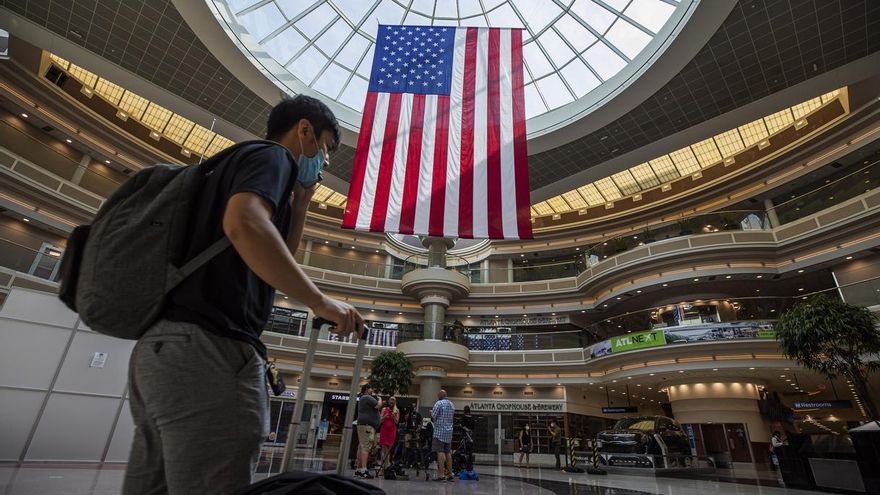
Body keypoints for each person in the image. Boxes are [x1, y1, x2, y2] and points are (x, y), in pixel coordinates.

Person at [122, 95, 364, 495]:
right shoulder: (273, 158)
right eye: (325, 149)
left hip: (163, 350)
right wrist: (320, 302)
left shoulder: (228, 166)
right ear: (303, 130)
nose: (324, 162)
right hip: (210, 349)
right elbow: (245, 225)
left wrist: (301, 202)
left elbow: (273, 253)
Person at [355, 384, 382, 479]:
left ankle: (359, 469)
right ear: (367, 389)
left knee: (361, 447)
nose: (372, 391)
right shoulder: (366, 397)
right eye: (371, 389)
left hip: (364, 426)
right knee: (366, 447)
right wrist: (380, 399)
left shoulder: (363, 398)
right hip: (367, 427)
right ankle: (364, 470)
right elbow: (378, 405)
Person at [431, 389, 455, 481]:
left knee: (440, 452)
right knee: (448, 452)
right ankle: (450, 473)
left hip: (439, 432)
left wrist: (431, 413)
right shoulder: (451, 404)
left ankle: (441, 474)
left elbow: (434, 415)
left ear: (440, 395)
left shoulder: (439, 403)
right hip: (449, 433)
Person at [378, 396, 399, 476]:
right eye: (391, 401)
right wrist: (385, 416)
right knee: (384, 451)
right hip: (384, 430)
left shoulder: (396, 410)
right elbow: (380, 420)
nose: (392, 402)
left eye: (393, 401)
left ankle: (386, 468)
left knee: (388, 451)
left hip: (392, 431)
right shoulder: (384, 409)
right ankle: (385, 468)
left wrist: (393, 416)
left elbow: (397, 422)